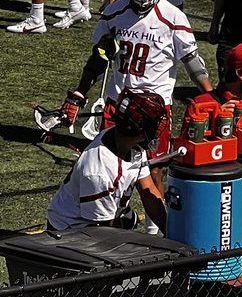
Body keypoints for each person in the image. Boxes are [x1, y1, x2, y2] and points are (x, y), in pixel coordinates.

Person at [61, 0, 212, 159]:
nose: (142, 0)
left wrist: (210, 97)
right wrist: (79, 93)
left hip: (154, 108)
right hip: (118, 104)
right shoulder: (114, 13)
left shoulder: (173, 18)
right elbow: (98, 59)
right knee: (107, 164)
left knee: (153, 170)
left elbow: (192, 63)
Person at [47, 88, 168, 234]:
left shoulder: (127, 143)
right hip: (71, 230)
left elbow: (148, 192)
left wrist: (170, 231)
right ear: (140, 130)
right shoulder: (99, 173)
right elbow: (105, 232)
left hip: (99, 218)